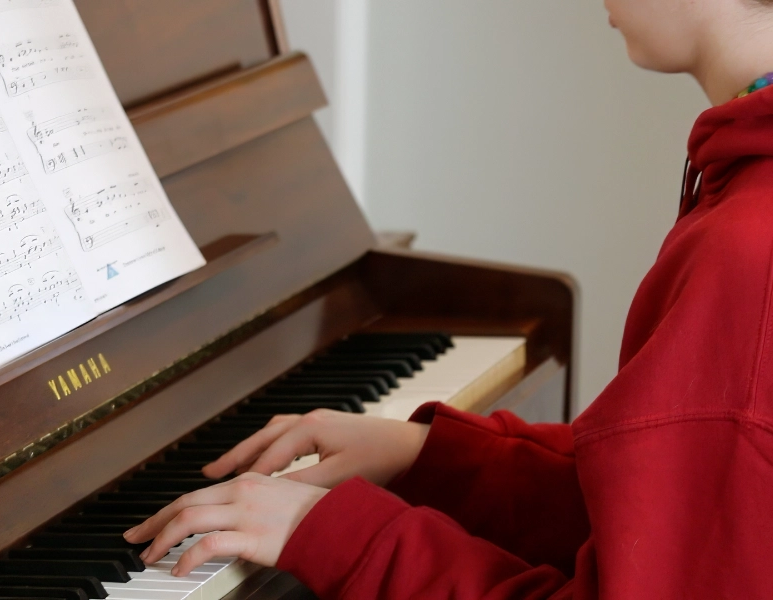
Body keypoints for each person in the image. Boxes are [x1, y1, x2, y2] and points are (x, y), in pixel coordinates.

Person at [124, 0, 773, 596]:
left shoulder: (745, 255)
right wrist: (432, 458)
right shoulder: (745, 195)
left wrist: (333, 532)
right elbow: (676, 506)